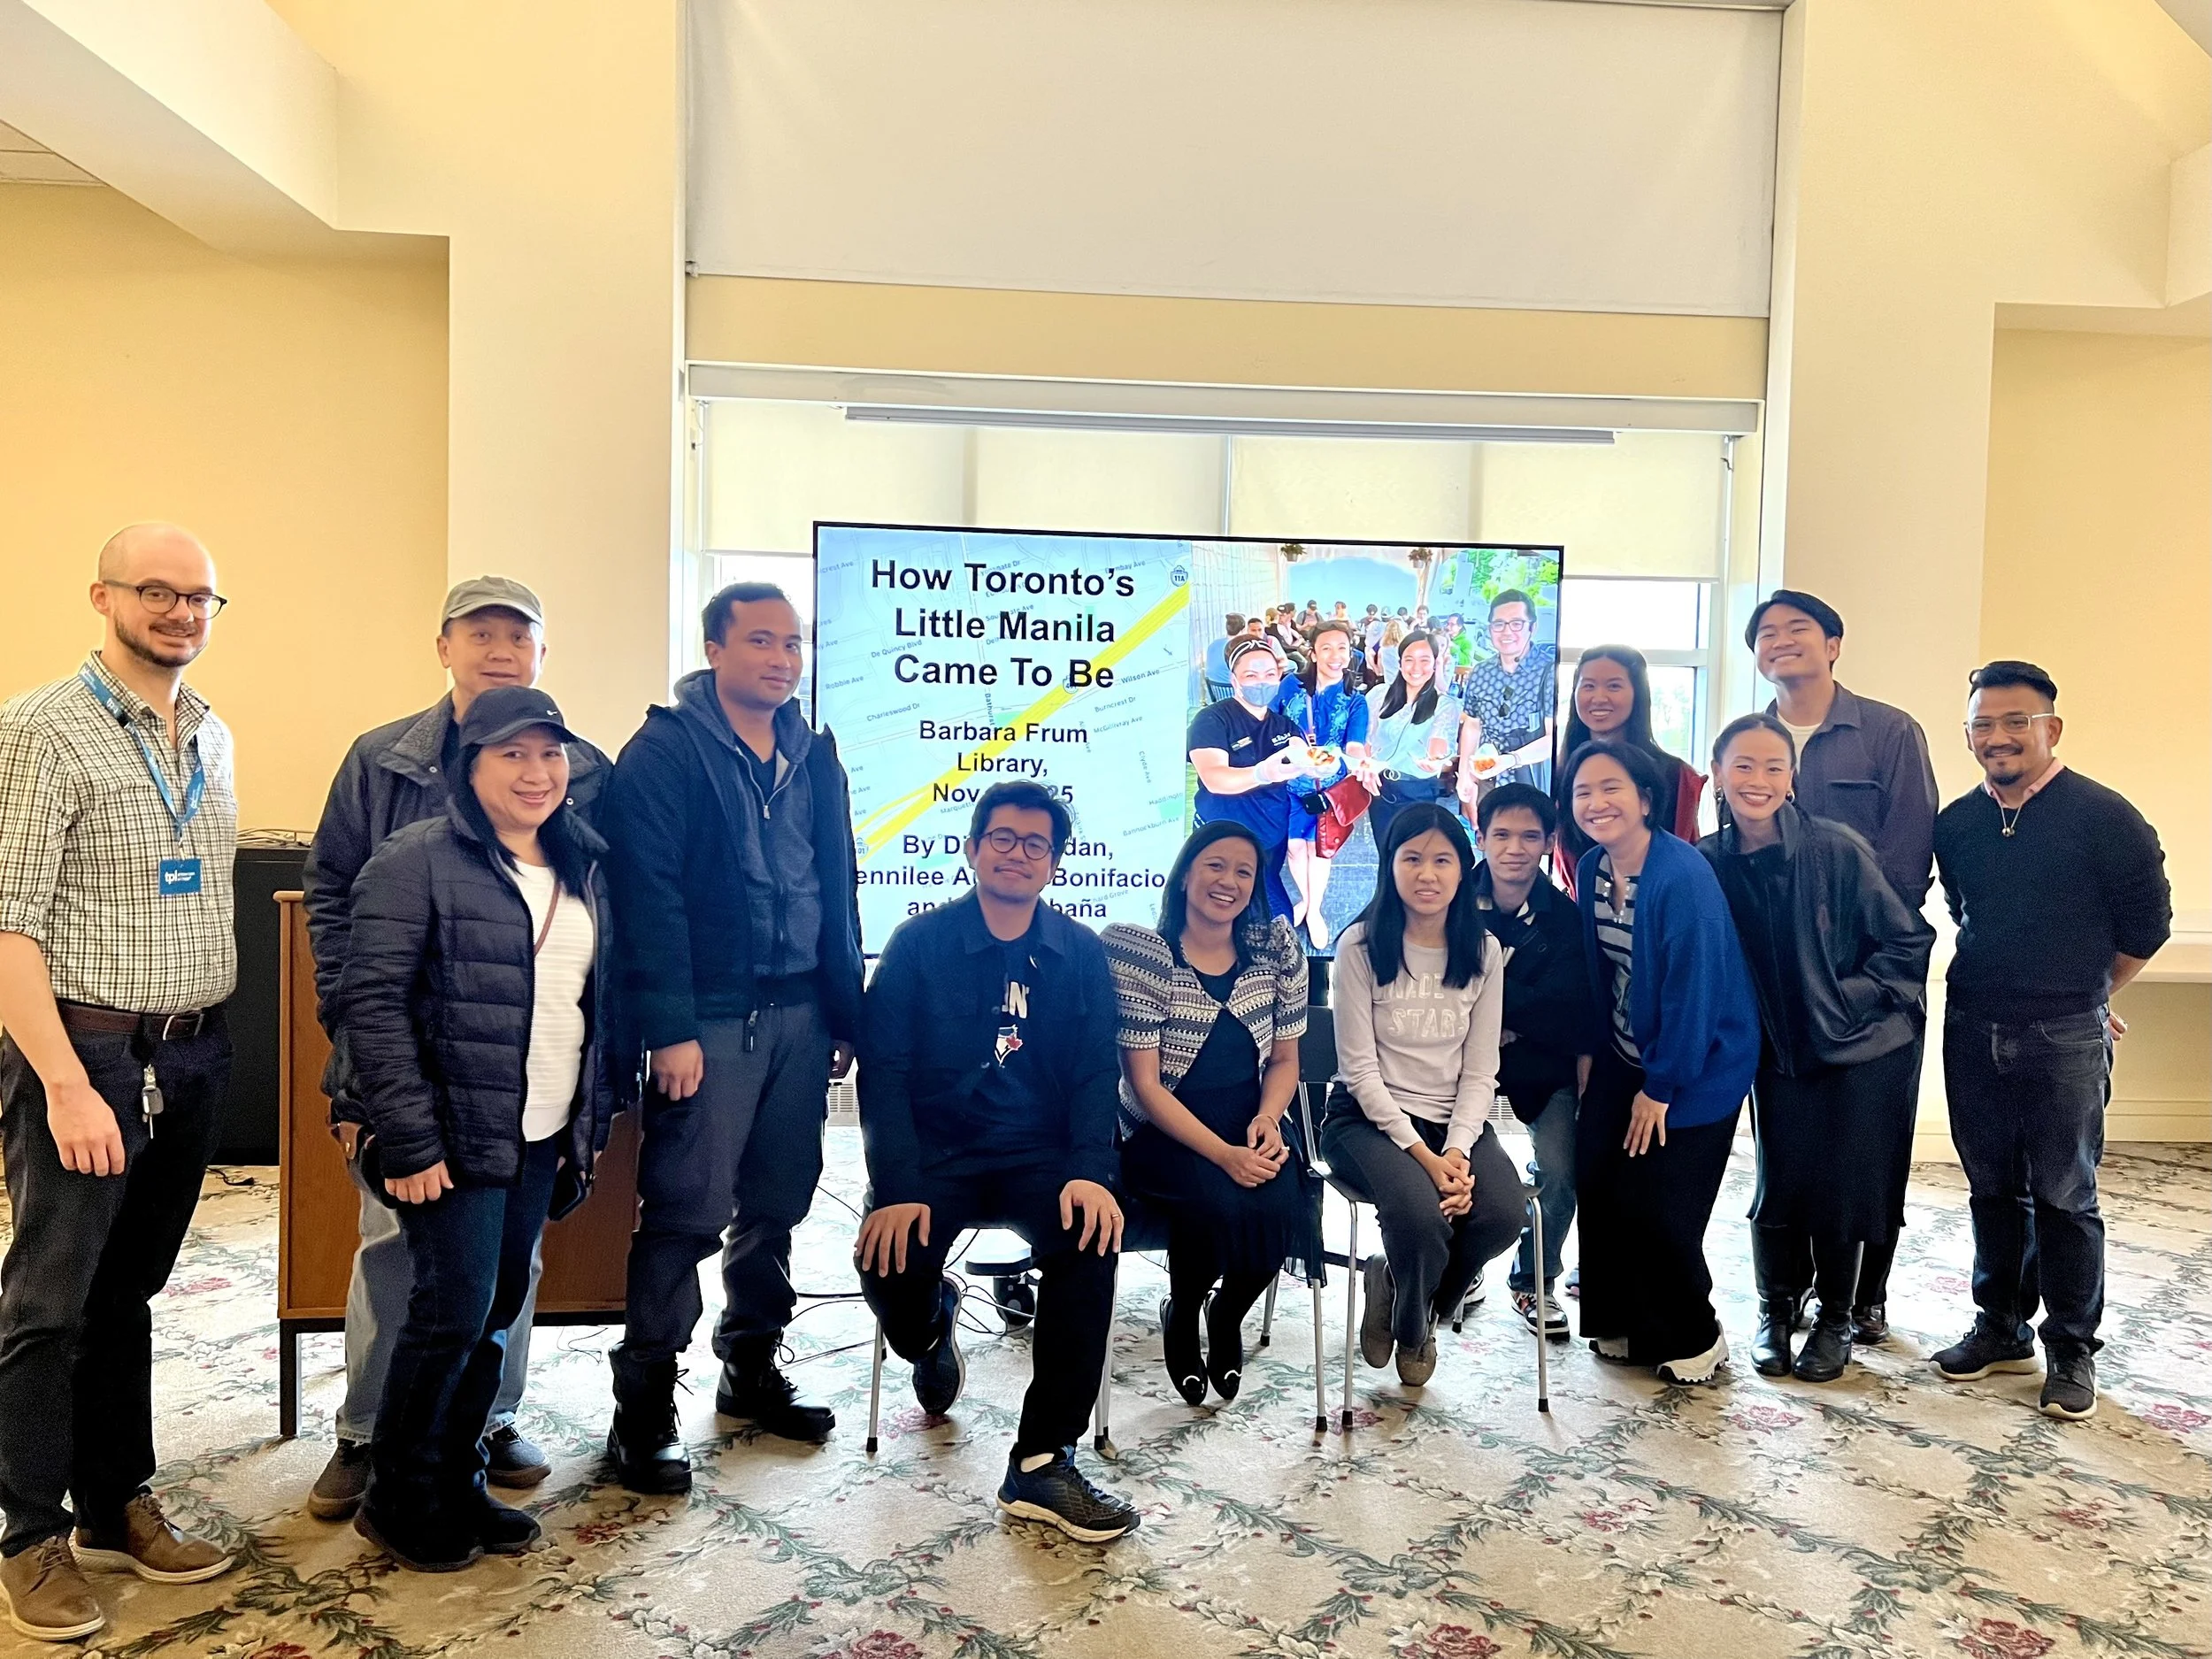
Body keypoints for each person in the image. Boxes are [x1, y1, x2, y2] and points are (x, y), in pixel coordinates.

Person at [301, 575, 611, 1521]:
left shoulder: (576, 852)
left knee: (493, 1300)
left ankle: (462, 1464)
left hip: (534, 1119)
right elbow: (361, 966)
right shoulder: (412, 838)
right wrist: (391, 1108)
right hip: (436, 1112)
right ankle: (390, 1473)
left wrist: (591, 1114)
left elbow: (589, 986)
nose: (535, 771)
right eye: (512, 755)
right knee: (438, 1300)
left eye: (548, 755)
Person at [0, 525, 240, 1642]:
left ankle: (113, 1502)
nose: (181, 612)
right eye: (157, 591)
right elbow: (9, 927)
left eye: (200, 597)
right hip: (86, 1052)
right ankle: (26, 1536)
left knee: (128, 1290)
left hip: (190, 1052)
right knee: (49, 1299)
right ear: (103, 597)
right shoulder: (41, 730)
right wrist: (62, 1082)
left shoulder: (212, 731)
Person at [599, 581, 864, 1490]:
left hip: (801, 1013)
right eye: (760, 640)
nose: (781, 659)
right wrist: (669, 1028)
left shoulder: (814, 753)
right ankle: (642, 1407)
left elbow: (839, 886)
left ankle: (750, 1365)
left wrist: (842, 1010)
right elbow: (647, 899)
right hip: (710, 1020)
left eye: (792, 644)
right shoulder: (666, 752)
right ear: (714, 649)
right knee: (686, 1208)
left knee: (777, 1200)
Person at [856, 783, 1139, 1541]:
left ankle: (1042, 1460)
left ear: (1054, 862)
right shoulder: (918, 943)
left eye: (1035, 843)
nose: (1018, 853)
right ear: (973, 848)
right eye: (1003, 838)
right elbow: (884, 1071)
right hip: (937, 1153)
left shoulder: (1080, 952)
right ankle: (929, 1328)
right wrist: (897, 1185)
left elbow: (1094, 1072)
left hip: (1038, 1154)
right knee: (888, 1260)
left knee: (1091, 1238)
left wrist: (1090, 1171)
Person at [1930, 661, 2170, 1421]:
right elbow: (1965, 909)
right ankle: (2000, 1326)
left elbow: (2147, 925)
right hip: (1972, 1025)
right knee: (1991, 1188)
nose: (1997, 736)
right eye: (1982, 724)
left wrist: (2090, 994)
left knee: (2065, 1193)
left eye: (2015, 721)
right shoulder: (1956, 824)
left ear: (2051, 729)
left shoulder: (2106, 816)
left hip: (2065, 1033)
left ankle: (2071, 1347)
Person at [1699, 716, 1934, 1384]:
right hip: (1777, 1050)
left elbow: (1907, 943)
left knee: (1842, 1187)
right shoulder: (1708, 861)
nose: (1759, 780)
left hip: (1863, 1047)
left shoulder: (1836, 848)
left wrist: (1838, 999)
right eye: (1744, 765)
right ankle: (1774, 1311)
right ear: (1718, 775)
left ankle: (1835, 1318)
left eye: (1774, 766)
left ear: (1792, 778)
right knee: (1779, 1180)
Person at [1747, 588, 1941, 1344]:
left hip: (1871, 982)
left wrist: (1844, 963)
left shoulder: (1888, 732)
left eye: (1797, 628)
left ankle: (1863, 1297)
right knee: (1787, 1145)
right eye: (1766, 633)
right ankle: (1784, 1296)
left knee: (1869, 1147)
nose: (1781, 640)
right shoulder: (1754, 738)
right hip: (1782, 988)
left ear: (1833, 644)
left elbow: (1907, 860)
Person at [1564, 739, 1758, 1384]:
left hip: (1697, 1062)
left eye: (1611, 788)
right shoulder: (1592, 867)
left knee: (1663, 1204)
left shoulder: (1680, 876)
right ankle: (1621, 1320)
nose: (1597, 803)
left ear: (1646, 800)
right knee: (1599, 1181)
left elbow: (1693, 990)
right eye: (1584, 792)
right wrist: (1594, 1053)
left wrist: (1662, 1086)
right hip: (1626, 1052)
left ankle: (1696, 1334)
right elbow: (1598, 973)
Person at [1103, 824, 1310, 1405]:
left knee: (1281, 1208)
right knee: (1217, 1203)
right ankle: (1184, 1310)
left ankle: (1227, 1314)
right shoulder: (1145, 956)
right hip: (1162, 1130)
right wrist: (1224, 1155)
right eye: (1215, 865)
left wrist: (1269, 1118)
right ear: (1186, 874)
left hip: (1251, 1119)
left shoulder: (1273, 952)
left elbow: (1286, 1059)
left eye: (1244, 871)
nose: (1229, 881)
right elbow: (1144, 1084)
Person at [1322, 804, 1524, 1386]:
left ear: (1464, 869)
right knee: (1419, 1215)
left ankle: (1405, 1296)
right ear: (1390, 865)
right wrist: (1428, 1160)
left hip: (1452, 1122)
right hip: (1365, 1120)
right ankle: (1415, 1328)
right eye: (1411, 858)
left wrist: (1456, 1151)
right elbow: (1360, 1072)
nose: (1427, 873)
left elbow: (1481, 1070)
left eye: (1442, 860)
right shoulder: (1359, 946)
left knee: (1503, 1214)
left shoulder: (1483, 951)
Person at [1473, 784, 1597, 1338]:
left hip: (1544, 1065)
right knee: (1451, 1162)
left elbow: (1569, 1011)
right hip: (1455, 1064)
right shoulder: (1448, 902)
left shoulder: (1567, 918)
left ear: (1550, 841)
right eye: (1501, 834)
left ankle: (1533, 1280)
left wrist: (1493, 1004)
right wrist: (1519, 1010)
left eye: (1529, 836)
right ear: (1481, 838)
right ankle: (1461, 1267)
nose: (1514, 848)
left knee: (1561, 1173)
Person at [1553, 646, 1705, 895]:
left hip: (1656, 909)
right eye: (1588, 686)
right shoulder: (1559, 774)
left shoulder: (1675, 776)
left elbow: (1685, 858)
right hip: (1583, 913)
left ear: (1638, 694)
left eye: (1614, 686)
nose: (1599, 697)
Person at [1189, 637, 1314, 924]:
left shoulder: (1285, 725)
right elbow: (1214, 777)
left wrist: (1313, 767)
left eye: (1270, 675)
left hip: (1271, 842)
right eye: (1251, 675)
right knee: (1244, 919)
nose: (1262, 683)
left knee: (1260, 915)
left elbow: (1303, 758)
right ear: (1235, 681)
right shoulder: (1212, 720)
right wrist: (1262, 773)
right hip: (1224, 844)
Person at [1272, 620, 1373, 949]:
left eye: (1342, 648)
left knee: (1319, 849)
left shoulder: (1355, 700)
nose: (1335, 655)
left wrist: (1359, 763)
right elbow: (1271, 723)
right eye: (1326, 648)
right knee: (1293, 846)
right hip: (1289, 783)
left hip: (1328, 788)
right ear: (1313, 653)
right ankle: (1304, 899)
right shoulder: (1291, 685)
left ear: (1350, 653)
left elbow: (1354, 745)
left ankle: (1313, 909)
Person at [1457, 588, 1559, 810]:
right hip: (1487, 779)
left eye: (1517, 623)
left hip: (1531, 779)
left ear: (1532, 627)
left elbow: (1554, 739)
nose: (1507, 631)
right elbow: (1473, 724)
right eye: (1499, 624)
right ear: (1490, 629)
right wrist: (1464, 773)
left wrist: (1510, 760)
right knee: (1487, 830)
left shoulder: (1549, 672)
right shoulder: (1481, 672)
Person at [1362, 631, 1459, 852]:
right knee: (1386, 855)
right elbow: (1368, 741)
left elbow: (1439, 748)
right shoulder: (1379, 695)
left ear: (1435, 663)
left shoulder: (1444, 705)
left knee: (1412, 857)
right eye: (1409, 659)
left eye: (1425, 660)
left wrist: (1436, 761)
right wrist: (1365, 769)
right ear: (1399, 663)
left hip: (1417, 791)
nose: (1416, 668)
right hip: (1380, 789)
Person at [1202, 614, 1244, 705]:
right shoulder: (1239, 647)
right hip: (1235, 697)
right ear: (1243, 629)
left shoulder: (1213, 645)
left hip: (1215, 696)